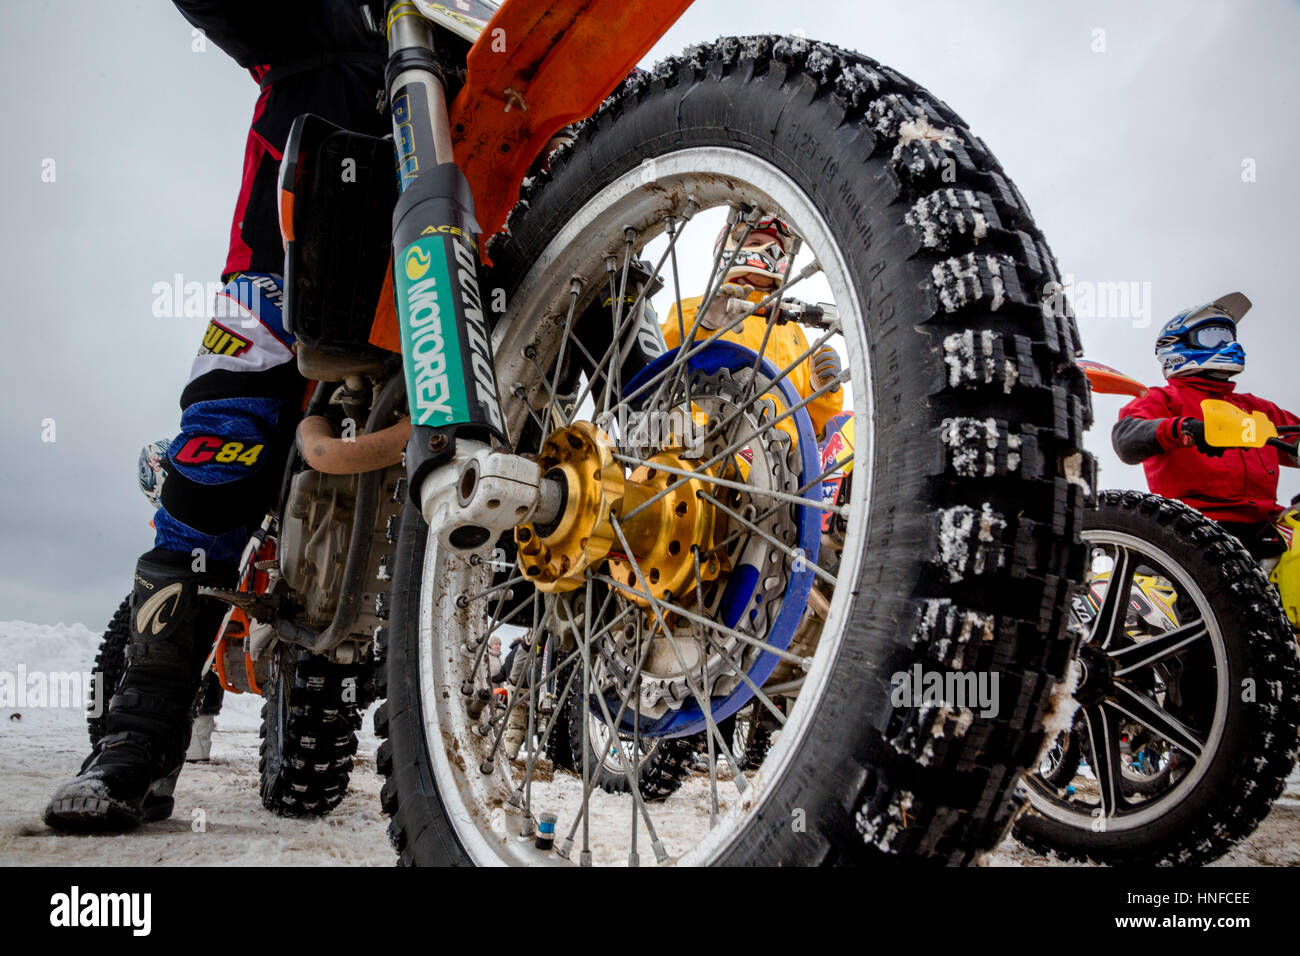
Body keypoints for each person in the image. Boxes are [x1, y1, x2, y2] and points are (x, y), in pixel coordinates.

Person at [44, 1, 389, 832]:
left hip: (443, 288)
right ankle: (138, 738)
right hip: (282, 281)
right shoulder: (333, 20)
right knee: (219, 447)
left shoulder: (486, 31)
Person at [1112, 292, 1299, 559]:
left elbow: (1295, 438)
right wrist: (1184, 429)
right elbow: (1125, 439)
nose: (1229, 346)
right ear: (1175, 347)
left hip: (1265, 524)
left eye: (1230, 338)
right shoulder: (1163, 399)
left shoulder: (1256, 407)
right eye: (1214, 337)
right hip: (1194, 525)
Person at [660, 217, 845, 438]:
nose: (772, 252)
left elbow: (815, 430)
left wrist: (824, 389)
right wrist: (705, 325)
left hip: (781, 463)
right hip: (708, 445)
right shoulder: (697, 308)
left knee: (849, 427)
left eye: (778, 248)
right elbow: (661, 359)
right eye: (756, 243)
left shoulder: (794, 333)